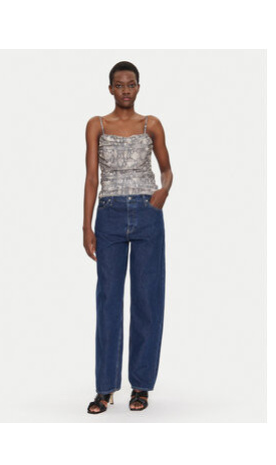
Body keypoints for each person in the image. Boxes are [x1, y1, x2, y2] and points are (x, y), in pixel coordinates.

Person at [82, 61, 173, 414]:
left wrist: (163, 192)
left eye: (131, 84)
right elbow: (92, 177)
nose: (125, 90)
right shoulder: (97, 124)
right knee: (108, 300)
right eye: (119, 85)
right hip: (109, 215)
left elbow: (167, 169)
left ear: (138, 87)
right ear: (110, 89)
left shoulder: (151, 124)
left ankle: (141, 386)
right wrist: (86, 226)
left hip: (147, 214)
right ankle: (104, 388)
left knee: (147, 299)